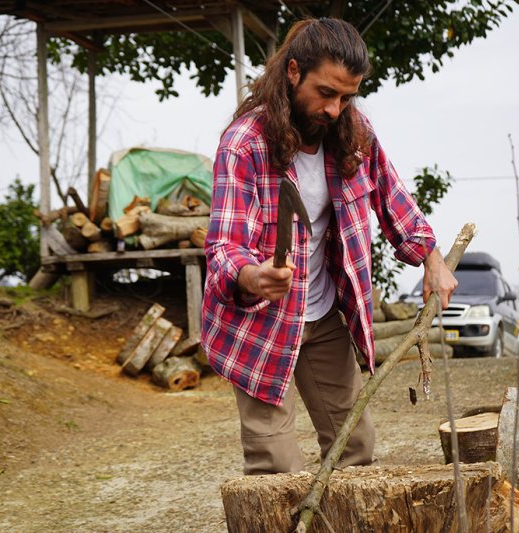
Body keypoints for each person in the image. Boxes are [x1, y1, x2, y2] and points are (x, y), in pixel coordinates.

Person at [201, 18, 457, 475]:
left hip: (322, 317)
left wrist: (433, 260)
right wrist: (254, 275)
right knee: (275, 467)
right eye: (325, 93)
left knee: (355, 446)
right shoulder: (245, 145)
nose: (335, 109)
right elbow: (224, 246)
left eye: (346, 97)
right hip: (260, 324)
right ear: (294, 72)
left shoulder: (354, 135)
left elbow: (394, 201)